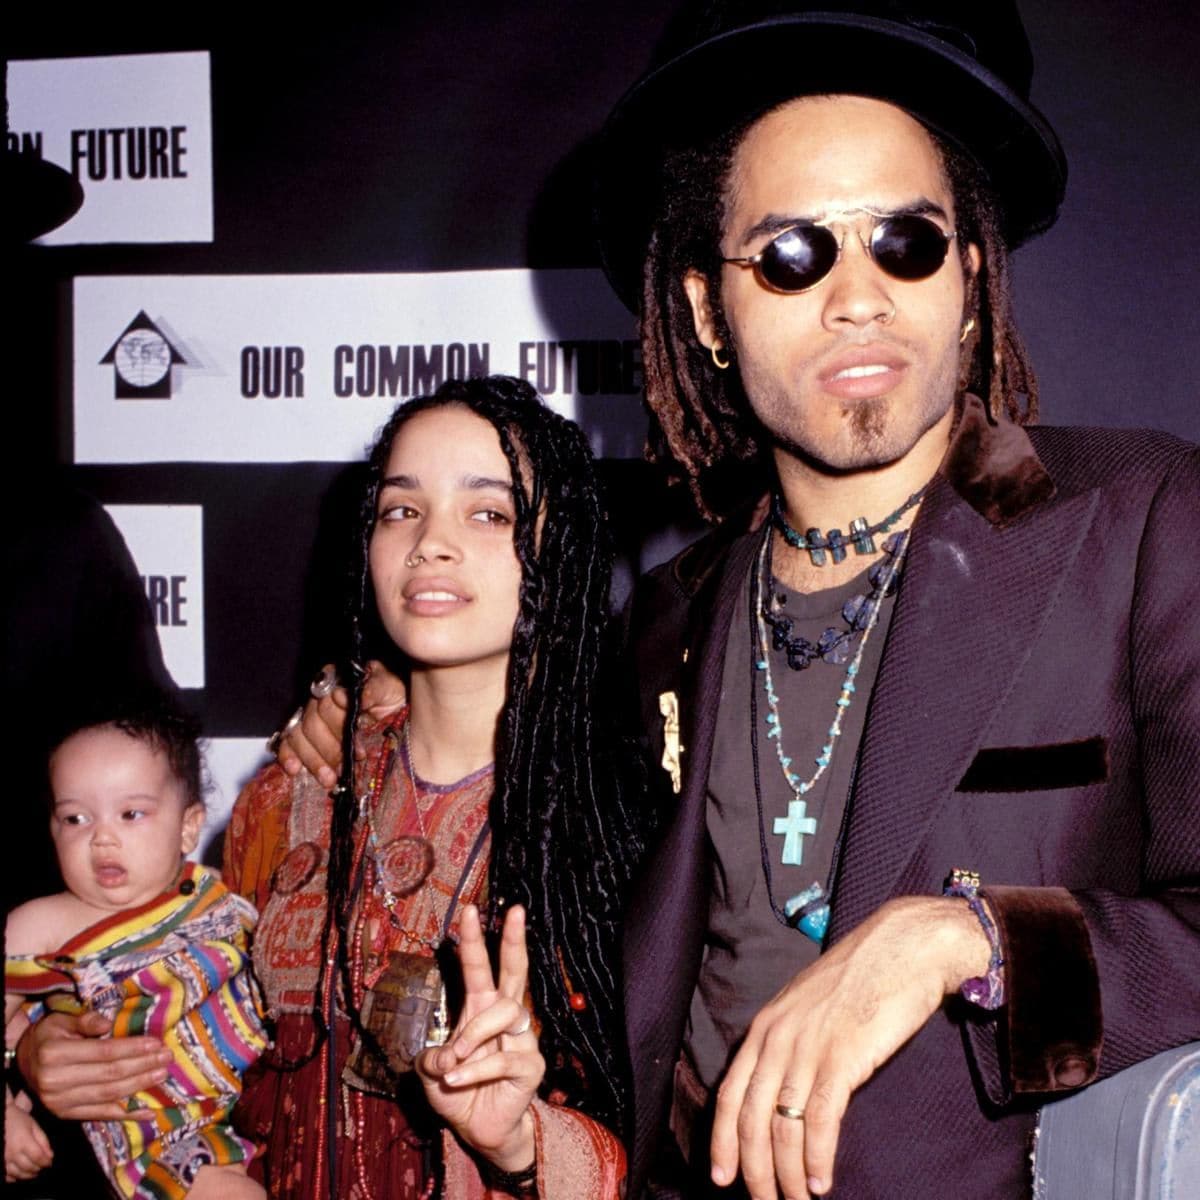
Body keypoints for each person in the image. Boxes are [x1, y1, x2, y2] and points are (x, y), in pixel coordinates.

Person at [590, 3, 1200, 1198]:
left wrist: (968, 939)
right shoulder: (665, 623)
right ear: (713, 316)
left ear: (969, 274)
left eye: (905, 242)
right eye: (792, 254)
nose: (858, 296)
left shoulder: (1143, 521)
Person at [226, 375, 640, 1197]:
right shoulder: (289, 797)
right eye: (400, 510)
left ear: (556, 548)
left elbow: (663, 1137)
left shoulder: (616, 828)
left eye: (489, 513)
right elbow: (206, 1058)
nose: (429, 544)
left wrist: (521, 1148)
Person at [5, 695, 268, 1200]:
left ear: (189, 826)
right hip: (158, 1131)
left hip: (252, 1104)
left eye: (131, 814)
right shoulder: (44, 927)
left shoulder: (213, 893)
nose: (102, 838)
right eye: (75, 819)